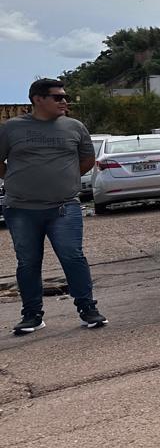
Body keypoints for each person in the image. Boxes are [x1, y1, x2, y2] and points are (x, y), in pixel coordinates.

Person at [0, 79, 107, 334]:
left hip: (64, 206)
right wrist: (19, 180)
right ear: (38, 99)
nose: (64, 101)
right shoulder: (11, 128)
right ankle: (32, 315)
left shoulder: (75, 127)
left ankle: (87, 309)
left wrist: (62, 181)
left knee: (72, 256)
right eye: (58, 97)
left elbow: (87, 160)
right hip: (21, 209)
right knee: (28, 262)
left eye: (65, 97)